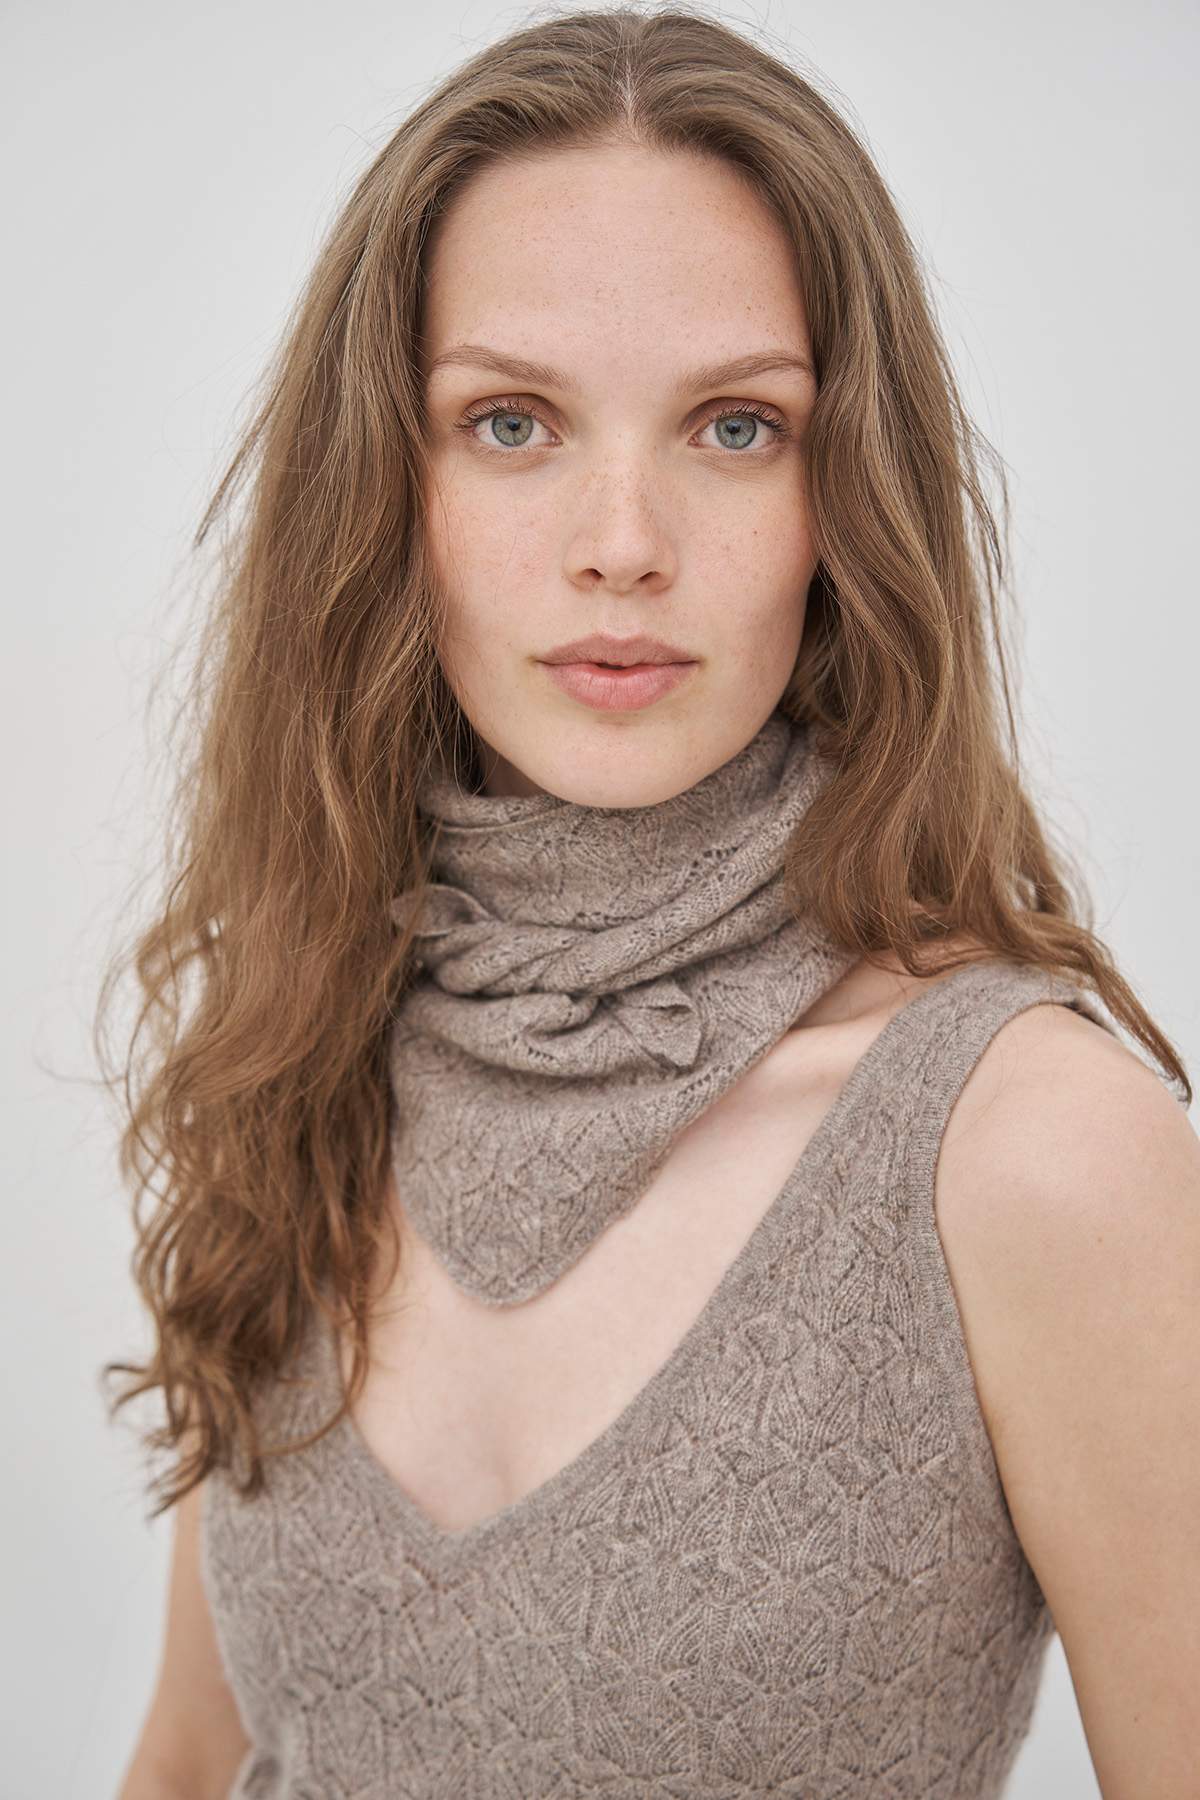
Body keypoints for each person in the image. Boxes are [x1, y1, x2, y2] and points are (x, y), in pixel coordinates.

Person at [105, 8, 1199, 1798]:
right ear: (386, 482)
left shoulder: (1030, 1151)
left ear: (849, 500)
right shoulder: (304, 1036)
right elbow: (183, 1764)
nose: (623, 540)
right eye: (512, 421)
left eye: (737, 426)